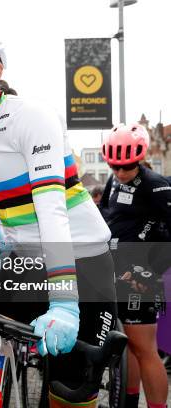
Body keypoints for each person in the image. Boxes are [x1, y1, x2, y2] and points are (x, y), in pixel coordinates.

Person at [0, 23, 116, 408]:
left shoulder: (31, 117)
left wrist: (64, 302)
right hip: (27, 259)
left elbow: (51, 207)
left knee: (69, 394)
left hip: (81, 260)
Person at [99, 124, 169, 408]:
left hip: (141, 278)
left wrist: (153, 271)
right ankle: (128, 403)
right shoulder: (113, 182)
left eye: (126, 167)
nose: (119, 173)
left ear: (138, 160)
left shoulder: (155, 184)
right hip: (115, 271)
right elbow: (104, 217)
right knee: (127, 346)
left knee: (145, 350)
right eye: (114, 166)